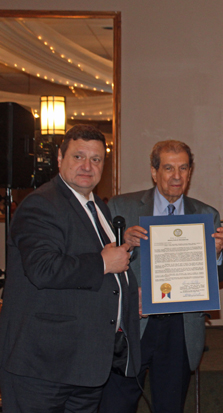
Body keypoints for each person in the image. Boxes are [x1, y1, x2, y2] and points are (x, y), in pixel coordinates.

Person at [0, 125, 140, 412]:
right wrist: (103, 262)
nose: (87, 166)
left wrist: (127, 296)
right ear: (60, 157)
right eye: (78, 157)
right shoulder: (40, 203)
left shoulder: (97, 208)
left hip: (84, 365)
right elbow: (43, 268)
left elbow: (101, 268)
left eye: (96, 159)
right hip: (43, 367)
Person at [100, 139, 223, 413]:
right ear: (154, 171)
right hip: (134, 323)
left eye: (183, 168)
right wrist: (124, 243)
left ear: (190, 171)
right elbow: (99, 265)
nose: (176, 176)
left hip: (180, 328)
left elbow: (219, 276)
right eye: (169, 168)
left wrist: (216, 254)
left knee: (170, 407)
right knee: (117, 404)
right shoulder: (121, 207)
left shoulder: (207, 215)